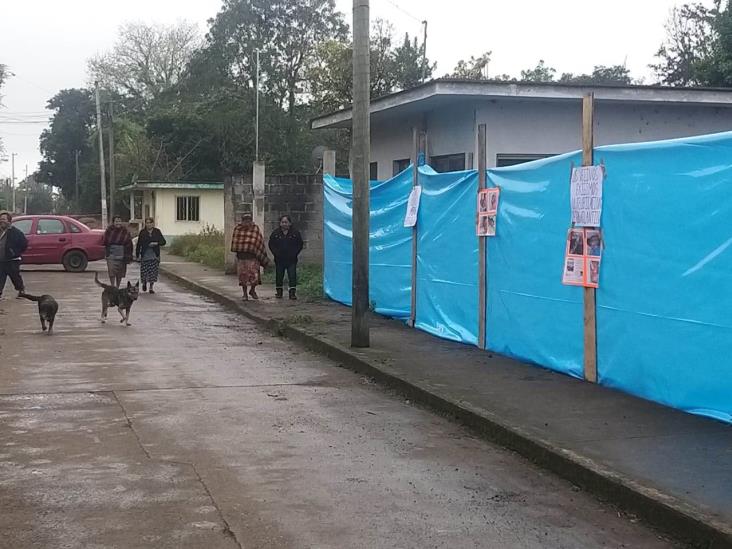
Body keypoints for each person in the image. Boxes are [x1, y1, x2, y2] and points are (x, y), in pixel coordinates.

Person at [231, 214, 269, 300]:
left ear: (251, 220)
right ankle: (245, 294)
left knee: (254, 277)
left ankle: (252, 290)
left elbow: (259, 242)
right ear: (242, 220)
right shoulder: (238, 229)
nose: (247, 222)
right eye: (245, 220)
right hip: (242, 258)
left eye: (249, 220)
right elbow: (235, 243)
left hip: (253, 258)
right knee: (243, 277)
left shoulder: (255, 229)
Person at [268, 215, 304, 300]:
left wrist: (294, 253)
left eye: (286, 222)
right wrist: (276, 253)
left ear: (290, 223)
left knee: (292, 275)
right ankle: (279, 292)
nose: (284, 224)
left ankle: (292, 293)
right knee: (279, 275)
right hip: (279, 259)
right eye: (282, 222)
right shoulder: (276, 233)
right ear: (280, 223)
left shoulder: (295, 233)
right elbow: (271, 244)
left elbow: (300, 244)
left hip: (291, 259)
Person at [0, 211, 28, 299]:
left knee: (15, 276)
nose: (1, 221)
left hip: (12, 260)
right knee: (0, 277)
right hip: (1, 260)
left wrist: (14, 252)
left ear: (9, 221)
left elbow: (24, 244)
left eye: (4, 219)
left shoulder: (16, 232)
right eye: (0, 219)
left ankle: (21, 290)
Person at [136, 217, 166, 294]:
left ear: (153, 223)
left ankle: (151, 287)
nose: (148, 224)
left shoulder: (157, 231)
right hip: (145, 254)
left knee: (153, 272)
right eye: (147, 223)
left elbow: (163, 242)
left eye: (150, 222)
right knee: (144, 271)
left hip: (154, 254)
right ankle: (144, 283)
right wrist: (137, 255)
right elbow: (139, 244)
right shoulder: (142, 232)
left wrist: (156, 243)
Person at [103, 215, 133, 288]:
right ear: (113, 222)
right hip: (111, 254)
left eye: (119, 221)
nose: (118, 223)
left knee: (120, 272)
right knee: (111, 271)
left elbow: (129, 243)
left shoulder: (125, 231)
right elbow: (105, 241)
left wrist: (129, 255)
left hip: (122, 254)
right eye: (116, 221)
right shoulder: (109, 230)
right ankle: (112, 286)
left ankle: (117, 286)